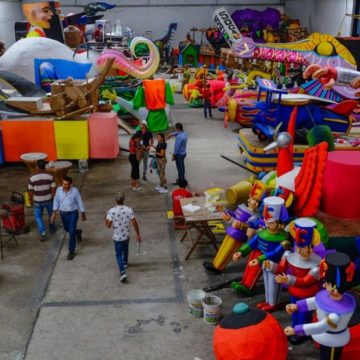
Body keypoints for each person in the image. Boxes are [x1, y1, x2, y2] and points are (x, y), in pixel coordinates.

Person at [284, 252, 356, 360]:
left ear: (334, 288)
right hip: (325, 336)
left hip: (333, 339)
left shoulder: (336, 314)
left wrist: (297, 330)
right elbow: (317, 301)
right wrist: (297, 306)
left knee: (330, 357)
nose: (323, 285)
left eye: (326, 283)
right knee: (323, 353)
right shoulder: (327, 296)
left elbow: (321, 326)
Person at [263, 217, 322, 345]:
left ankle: (301, 333)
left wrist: (288, 279)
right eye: (298, 246)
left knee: (303, 314)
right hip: (293, 291)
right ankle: (294, 329)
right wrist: (271, 265)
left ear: (311, 248)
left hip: (307, 295)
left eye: (303, 247)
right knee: (294, 313)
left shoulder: (316, 265)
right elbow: (281, 268)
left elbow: (306, 281)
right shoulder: (289, 255)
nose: (299, 250)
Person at [232, 196, 290, 311]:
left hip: (274, 264)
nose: (268, 225)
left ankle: (274, 303)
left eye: (272, 223)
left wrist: (259, 259)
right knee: (267, 282)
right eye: (267, 222)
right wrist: (241, 252)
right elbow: (253, 243)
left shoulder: (283, 238)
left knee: (274, 283)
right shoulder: (262, 232)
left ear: (279, 223)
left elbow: (275, 253)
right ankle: (269, 301)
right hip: (264, 261)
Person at [105, 192, 141, 283]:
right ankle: (125, 262)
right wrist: (138, 234)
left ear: (115, 200)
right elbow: (134, 223)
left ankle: (122, 272)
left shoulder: (111, 211)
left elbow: (108, 225)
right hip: (126, 236)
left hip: (117, 238)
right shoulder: (129, 209)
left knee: (118, 255)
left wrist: (105, 218)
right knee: (126, 249)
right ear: (123, 200)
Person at [51, 176, 86, 261]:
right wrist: (54, 213)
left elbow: (79, 202)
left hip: (73, 214)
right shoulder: (59, 190)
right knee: (67, 229)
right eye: (63, 184)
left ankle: (71, 251)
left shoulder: (75, 191)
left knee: (71, 234)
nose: (64, 185)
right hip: (63, 214)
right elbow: (56, 201)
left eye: (66, 184)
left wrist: (83, 213)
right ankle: (78, 232)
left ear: (71, 184)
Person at [28, 159, 56, 242]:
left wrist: (30, 199)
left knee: (38, 216)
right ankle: (52, 228)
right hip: (49, 199)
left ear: (37, 166)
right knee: (51, 214)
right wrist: (54, 199)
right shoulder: (50, 176)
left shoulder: (32, 177)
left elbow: (30, 190)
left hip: (37, 201)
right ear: (45, 166)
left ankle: (43, 232)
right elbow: (53, 189)